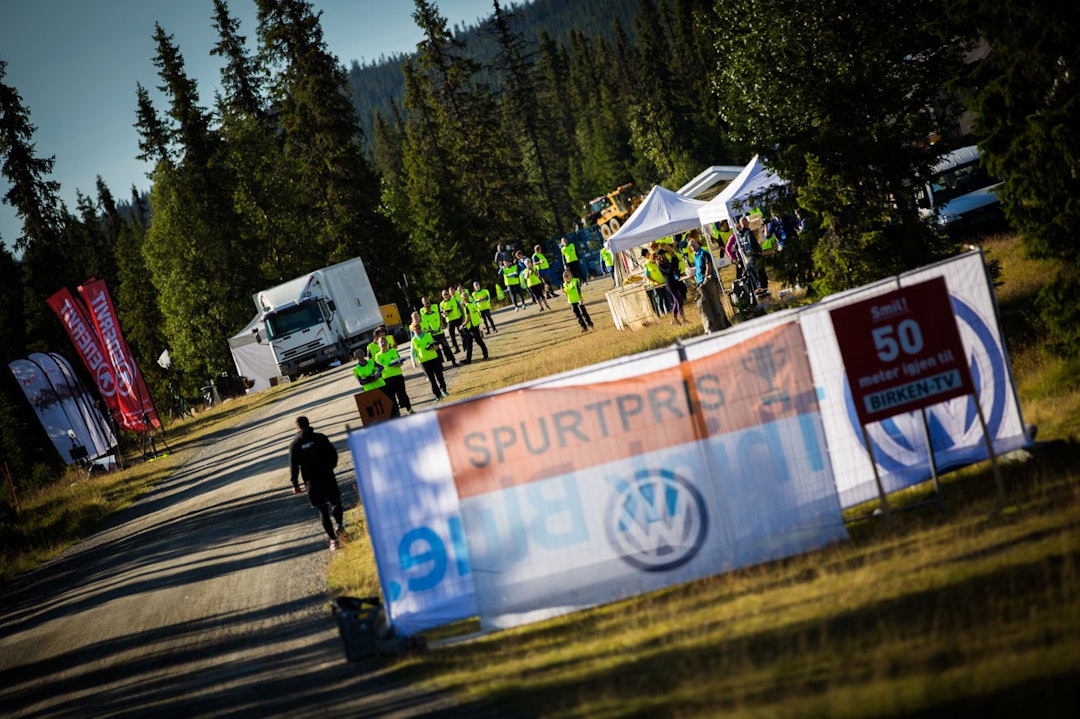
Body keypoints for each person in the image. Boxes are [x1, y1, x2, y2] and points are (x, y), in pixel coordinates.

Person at [289, 416, 346, 551]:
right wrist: (331, 466)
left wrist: (295, 484)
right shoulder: (320, 438)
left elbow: (294, 466)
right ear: (309, 424)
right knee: (335, 502)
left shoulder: (295, 444)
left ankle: (333, 540)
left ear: (297, 428)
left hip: (312, 482)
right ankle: (339, 524)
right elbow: (333, 453)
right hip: (327, 476)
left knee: (323, 510)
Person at [688, 237, 731, 333]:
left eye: (693, 244)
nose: (692, 246)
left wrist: (706, 278)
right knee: (705, 304)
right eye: (690, 245)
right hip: (700, 281)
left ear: (697, 243)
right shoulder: (695, 255)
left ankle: (723, 323)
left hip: (708, 280)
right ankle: (713, 325)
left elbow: (708, 266)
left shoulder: (704, 252)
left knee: (715, 301)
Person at [410, 318, 450, 402]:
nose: (417, 330)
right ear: (413, 331)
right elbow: (413, 352)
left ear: (421, 328)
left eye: (418, 328)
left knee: (439, 375)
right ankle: (437, 395)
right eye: (415, 329)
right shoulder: (413, 340)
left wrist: (435, 347)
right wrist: (413, 361)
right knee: (431, 380)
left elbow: (435, 344)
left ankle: (444, 390)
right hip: (424, 362)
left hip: (434, 359)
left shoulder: (428, 335)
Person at [374, 334, 411, 415]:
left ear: (387, 342)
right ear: (378, 345)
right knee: (391, 397)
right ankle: (396, 412)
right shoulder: (377, 356)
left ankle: (409, 408)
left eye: (384, 341)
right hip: (386, 378)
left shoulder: (393, 351)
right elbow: (377, 369)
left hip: (397, 376)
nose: (383, 343)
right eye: (381, 342)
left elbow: (400, 362)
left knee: (402, 394)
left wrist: (397, 364)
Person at [419, 295, 458, 367]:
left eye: (427, 300)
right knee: (437, 350)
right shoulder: (422, 311)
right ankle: (441, 366)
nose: (427, 303)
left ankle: (453, 362)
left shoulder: (435, 306)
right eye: (424, 302)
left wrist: (441, 325)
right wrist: (429, 330)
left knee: (446, 347)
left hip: (440, 332)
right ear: (422, 303)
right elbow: (424, 323)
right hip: (432, 335)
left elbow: (440, 316)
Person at [654, 241, 687, 326]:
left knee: (677, 301)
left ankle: (674, 319)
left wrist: (674, 257)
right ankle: (682, 319)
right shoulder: (660, 265)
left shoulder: (666, 262)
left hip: (674, 282)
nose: (665, 255)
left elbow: (674, 266)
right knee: (679, 301)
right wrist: (672, 261)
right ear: (660, 256)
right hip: (670, 284)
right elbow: (669, 270)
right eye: (663, 254)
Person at [459, 296, 489, 364]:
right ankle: (468, 359)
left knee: (479, 341)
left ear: (463, 299)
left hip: (472, 327)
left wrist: (463, 325)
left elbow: (468, 318)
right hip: (474, 325)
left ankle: (485, 355)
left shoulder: (467, 306)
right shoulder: (472, 304)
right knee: (469, 343)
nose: (461, 299)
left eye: (461, 298)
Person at [641, 247, 670, 317]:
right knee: (660, 297)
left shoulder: (659, 262)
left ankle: (668, 309)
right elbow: (647, 276)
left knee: (666, 296)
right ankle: (662, 311)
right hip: (655, 284)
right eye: (654, 259)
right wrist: (655, 282)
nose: (655, 260)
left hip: (663, 281)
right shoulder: (647, 265)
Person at [440, 288, 464, 353]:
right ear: (442, 296)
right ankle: (456, 348)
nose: (446, 295)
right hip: (450, 321)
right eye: (444, 294)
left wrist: (463, 318)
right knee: (452, 336)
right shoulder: (441, 304)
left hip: (457, 319)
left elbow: (461, 309)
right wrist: (445, 315)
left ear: (449, 294)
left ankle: (465, 345)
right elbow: (442, 314)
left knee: (462, 333)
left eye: (447, 294)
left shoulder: (454, 300)